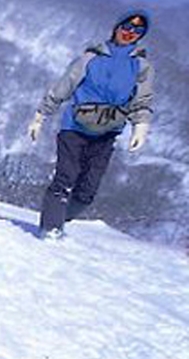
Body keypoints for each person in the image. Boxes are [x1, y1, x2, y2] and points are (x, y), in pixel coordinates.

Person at [27, 10, 155, 239]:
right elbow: (63, 87)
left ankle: (57, 217)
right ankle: (50, 229)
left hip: (107, 133)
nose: (130, 33)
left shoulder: (141, 66)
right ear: (116, 27)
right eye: (126, 27)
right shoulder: (90, 58)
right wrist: (40, 116)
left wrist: (141, 125)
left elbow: (142, 100)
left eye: (137, 31)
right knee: (65, 177)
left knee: (87, 191)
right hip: (74, 128)